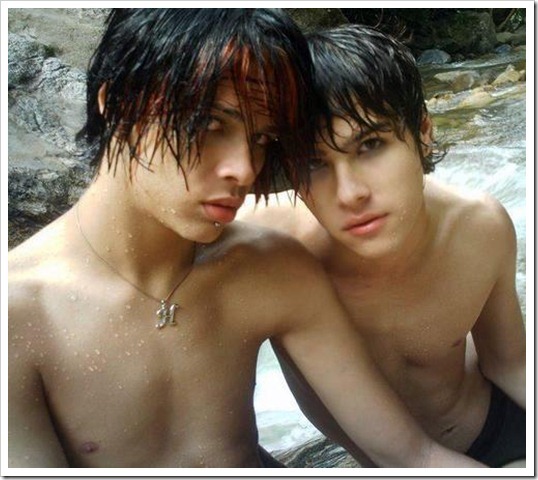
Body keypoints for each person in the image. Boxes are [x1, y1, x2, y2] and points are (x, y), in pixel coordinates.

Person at [8, 9, 487, 469]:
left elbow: (409, 456)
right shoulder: (19, 315)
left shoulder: (270, 269)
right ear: (116, 103)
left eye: (263, 140)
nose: (245, 169)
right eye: (210, 125)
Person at [240, 24, 526, 468]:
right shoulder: (268, 250)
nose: (350, 193)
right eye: (314, 163)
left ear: (423, 132)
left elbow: (510, 364)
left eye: (370, 144)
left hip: (499, 428)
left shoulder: (478, 227)